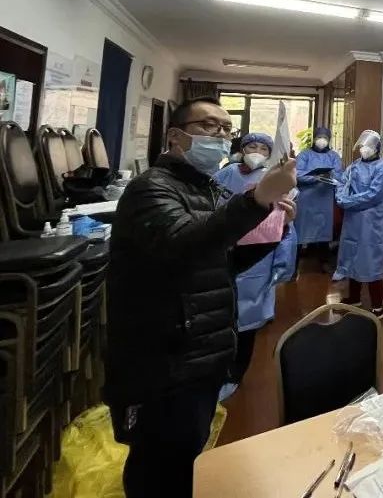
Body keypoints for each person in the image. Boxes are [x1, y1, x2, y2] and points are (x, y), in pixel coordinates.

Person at [106, 97, 297, 498]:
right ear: (175, 137)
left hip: (200, 355)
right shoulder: (150, 189)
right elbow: (184, 243)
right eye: (210, 126)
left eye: (227, 129)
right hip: (164, 363)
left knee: (185, 456)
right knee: (158, 468)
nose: (222, 136)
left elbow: (221, 259)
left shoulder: (205, 188)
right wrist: (255, 201)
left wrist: (271, 224)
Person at [212, 133, 297, 399]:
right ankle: (216, 370)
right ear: (242, 149)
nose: (257, 151)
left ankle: (235, 374)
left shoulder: (273, 179)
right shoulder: (225, 175)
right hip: (223, 249)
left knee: (248, 319)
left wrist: (283, 261)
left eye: (263, 148)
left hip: (259, 254)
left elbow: (284, 224)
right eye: (252, 146)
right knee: (219, 314)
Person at [332, 130, 383, 318]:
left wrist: (348, 201)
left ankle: (377, 307)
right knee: (352, 257)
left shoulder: (382, 168)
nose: (364, 149)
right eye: (363, 146)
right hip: (353, 220)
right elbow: (342, 183)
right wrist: (341, 196)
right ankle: (354, 298)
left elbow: (374, 195)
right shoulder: (355, 166)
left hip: (370, 221)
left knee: (370, 259)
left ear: (377, 149)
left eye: (369, 146)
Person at [295, 127, 342, 248]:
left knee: (323, 227)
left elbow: (339, 175)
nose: (322, 140)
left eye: (325, 138)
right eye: (319, 137)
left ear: (329, 140)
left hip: (325, 198)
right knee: (304, 226)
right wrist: (315, 178)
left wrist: (329, 175)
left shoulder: (334, 156)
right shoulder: (304, 155)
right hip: (306, 198)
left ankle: (322, 253)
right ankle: (300, 251)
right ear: (314, 138)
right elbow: (297, 174)